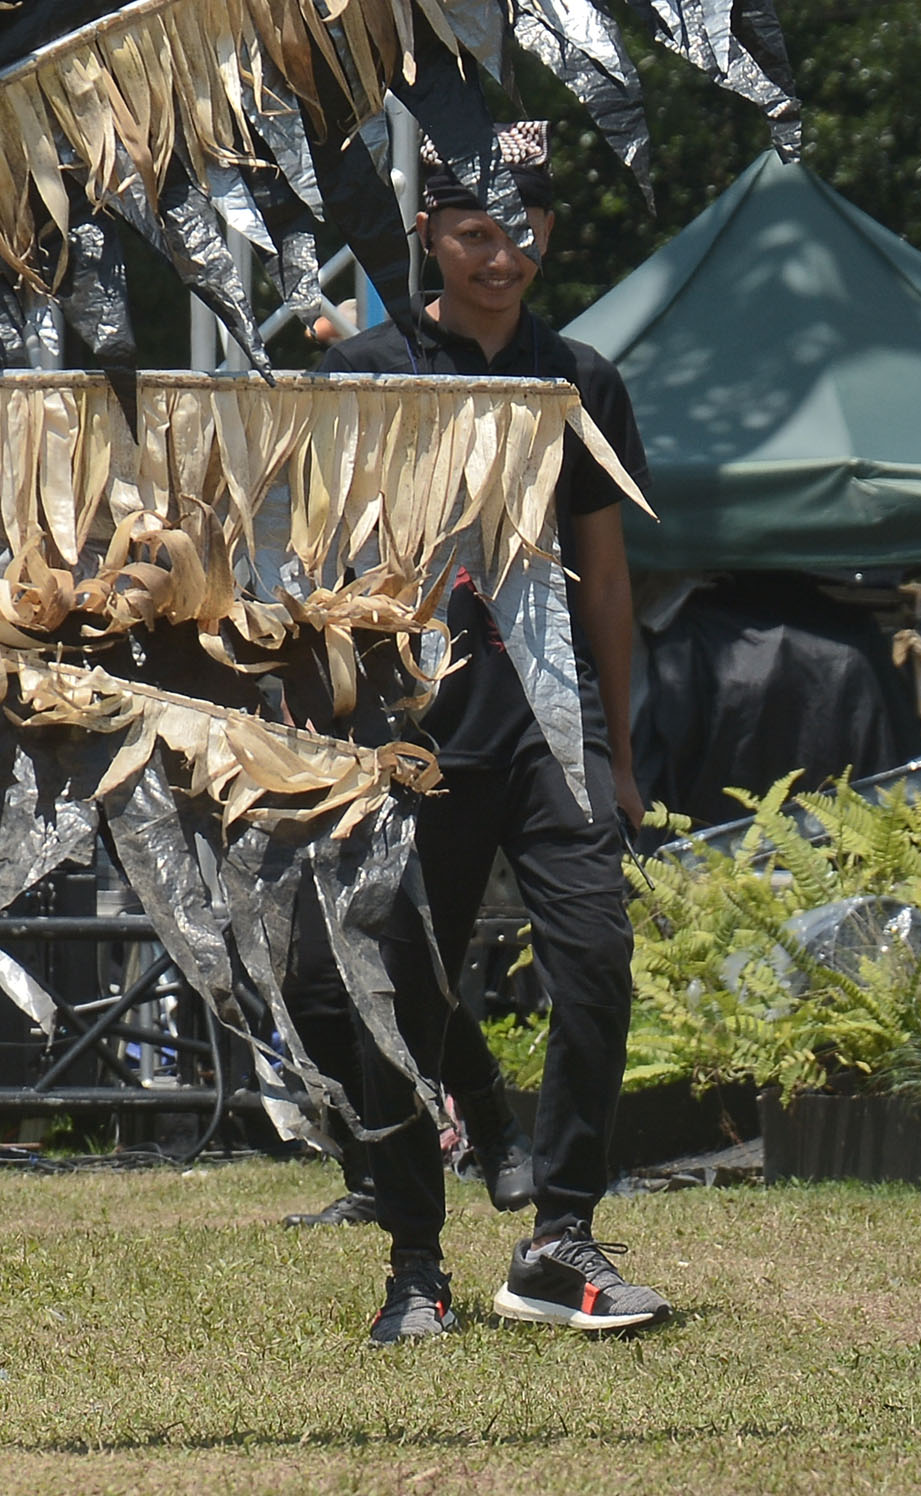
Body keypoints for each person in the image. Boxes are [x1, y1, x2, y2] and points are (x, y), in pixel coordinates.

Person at [299, 125, 668, 1345]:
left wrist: (622, 754)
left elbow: (606, 578)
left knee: (597, 962)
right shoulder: (366, 374)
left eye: (522, 229)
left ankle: (562, 1235)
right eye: (474, 232)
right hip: (413, 737)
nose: (502, 255)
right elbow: (312, 563)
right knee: (402, 999)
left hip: (553, 735)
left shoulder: (580, 380)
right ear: (429, 234)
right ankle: (415, 1263)